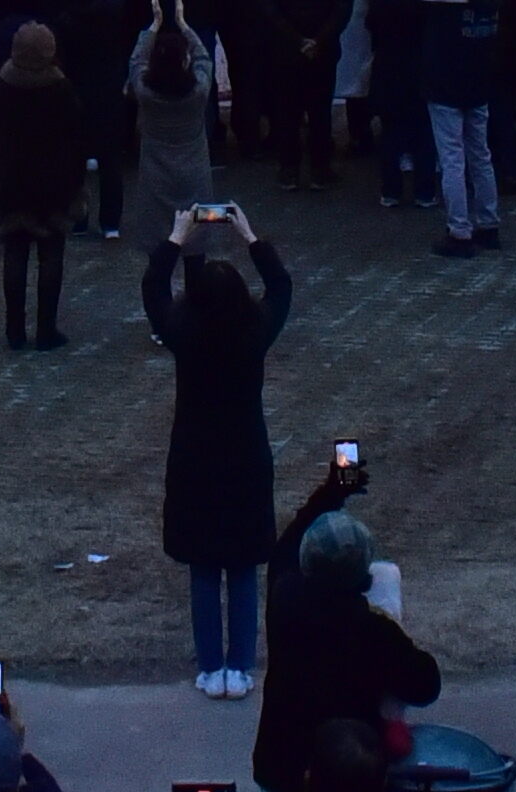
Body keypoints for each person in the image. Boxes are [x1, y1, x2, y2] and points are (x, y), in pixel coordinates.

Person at [152, 202, 296, 698]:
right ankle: (241, 666)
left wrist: (177, 236)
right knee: (242, 566)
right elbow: (281, 288)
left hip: (193, 459)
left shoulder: (184, 333)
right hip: (246, 458)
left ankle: (210, 666)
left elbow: (153, 291)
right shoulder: (253, 333)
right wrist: (249, 234)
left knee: (203, 567)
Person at [252, 477, 439, 792]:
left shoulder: (284, 598)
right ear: (363, 574)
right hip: (351, 773)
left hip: (280, 767)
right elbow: (426, 684)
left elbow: (286, 546)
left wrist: (329, 493)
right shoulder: (374, 632)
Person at [0, 23, 85, 350]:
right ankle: (46, 330)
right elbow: (77, 138)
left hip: (11, 182)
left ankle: (14, 330)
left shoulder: (1, 86)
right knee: (51, 254)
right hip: (53, 185)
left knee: (14, 252)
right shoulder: (61, 90)